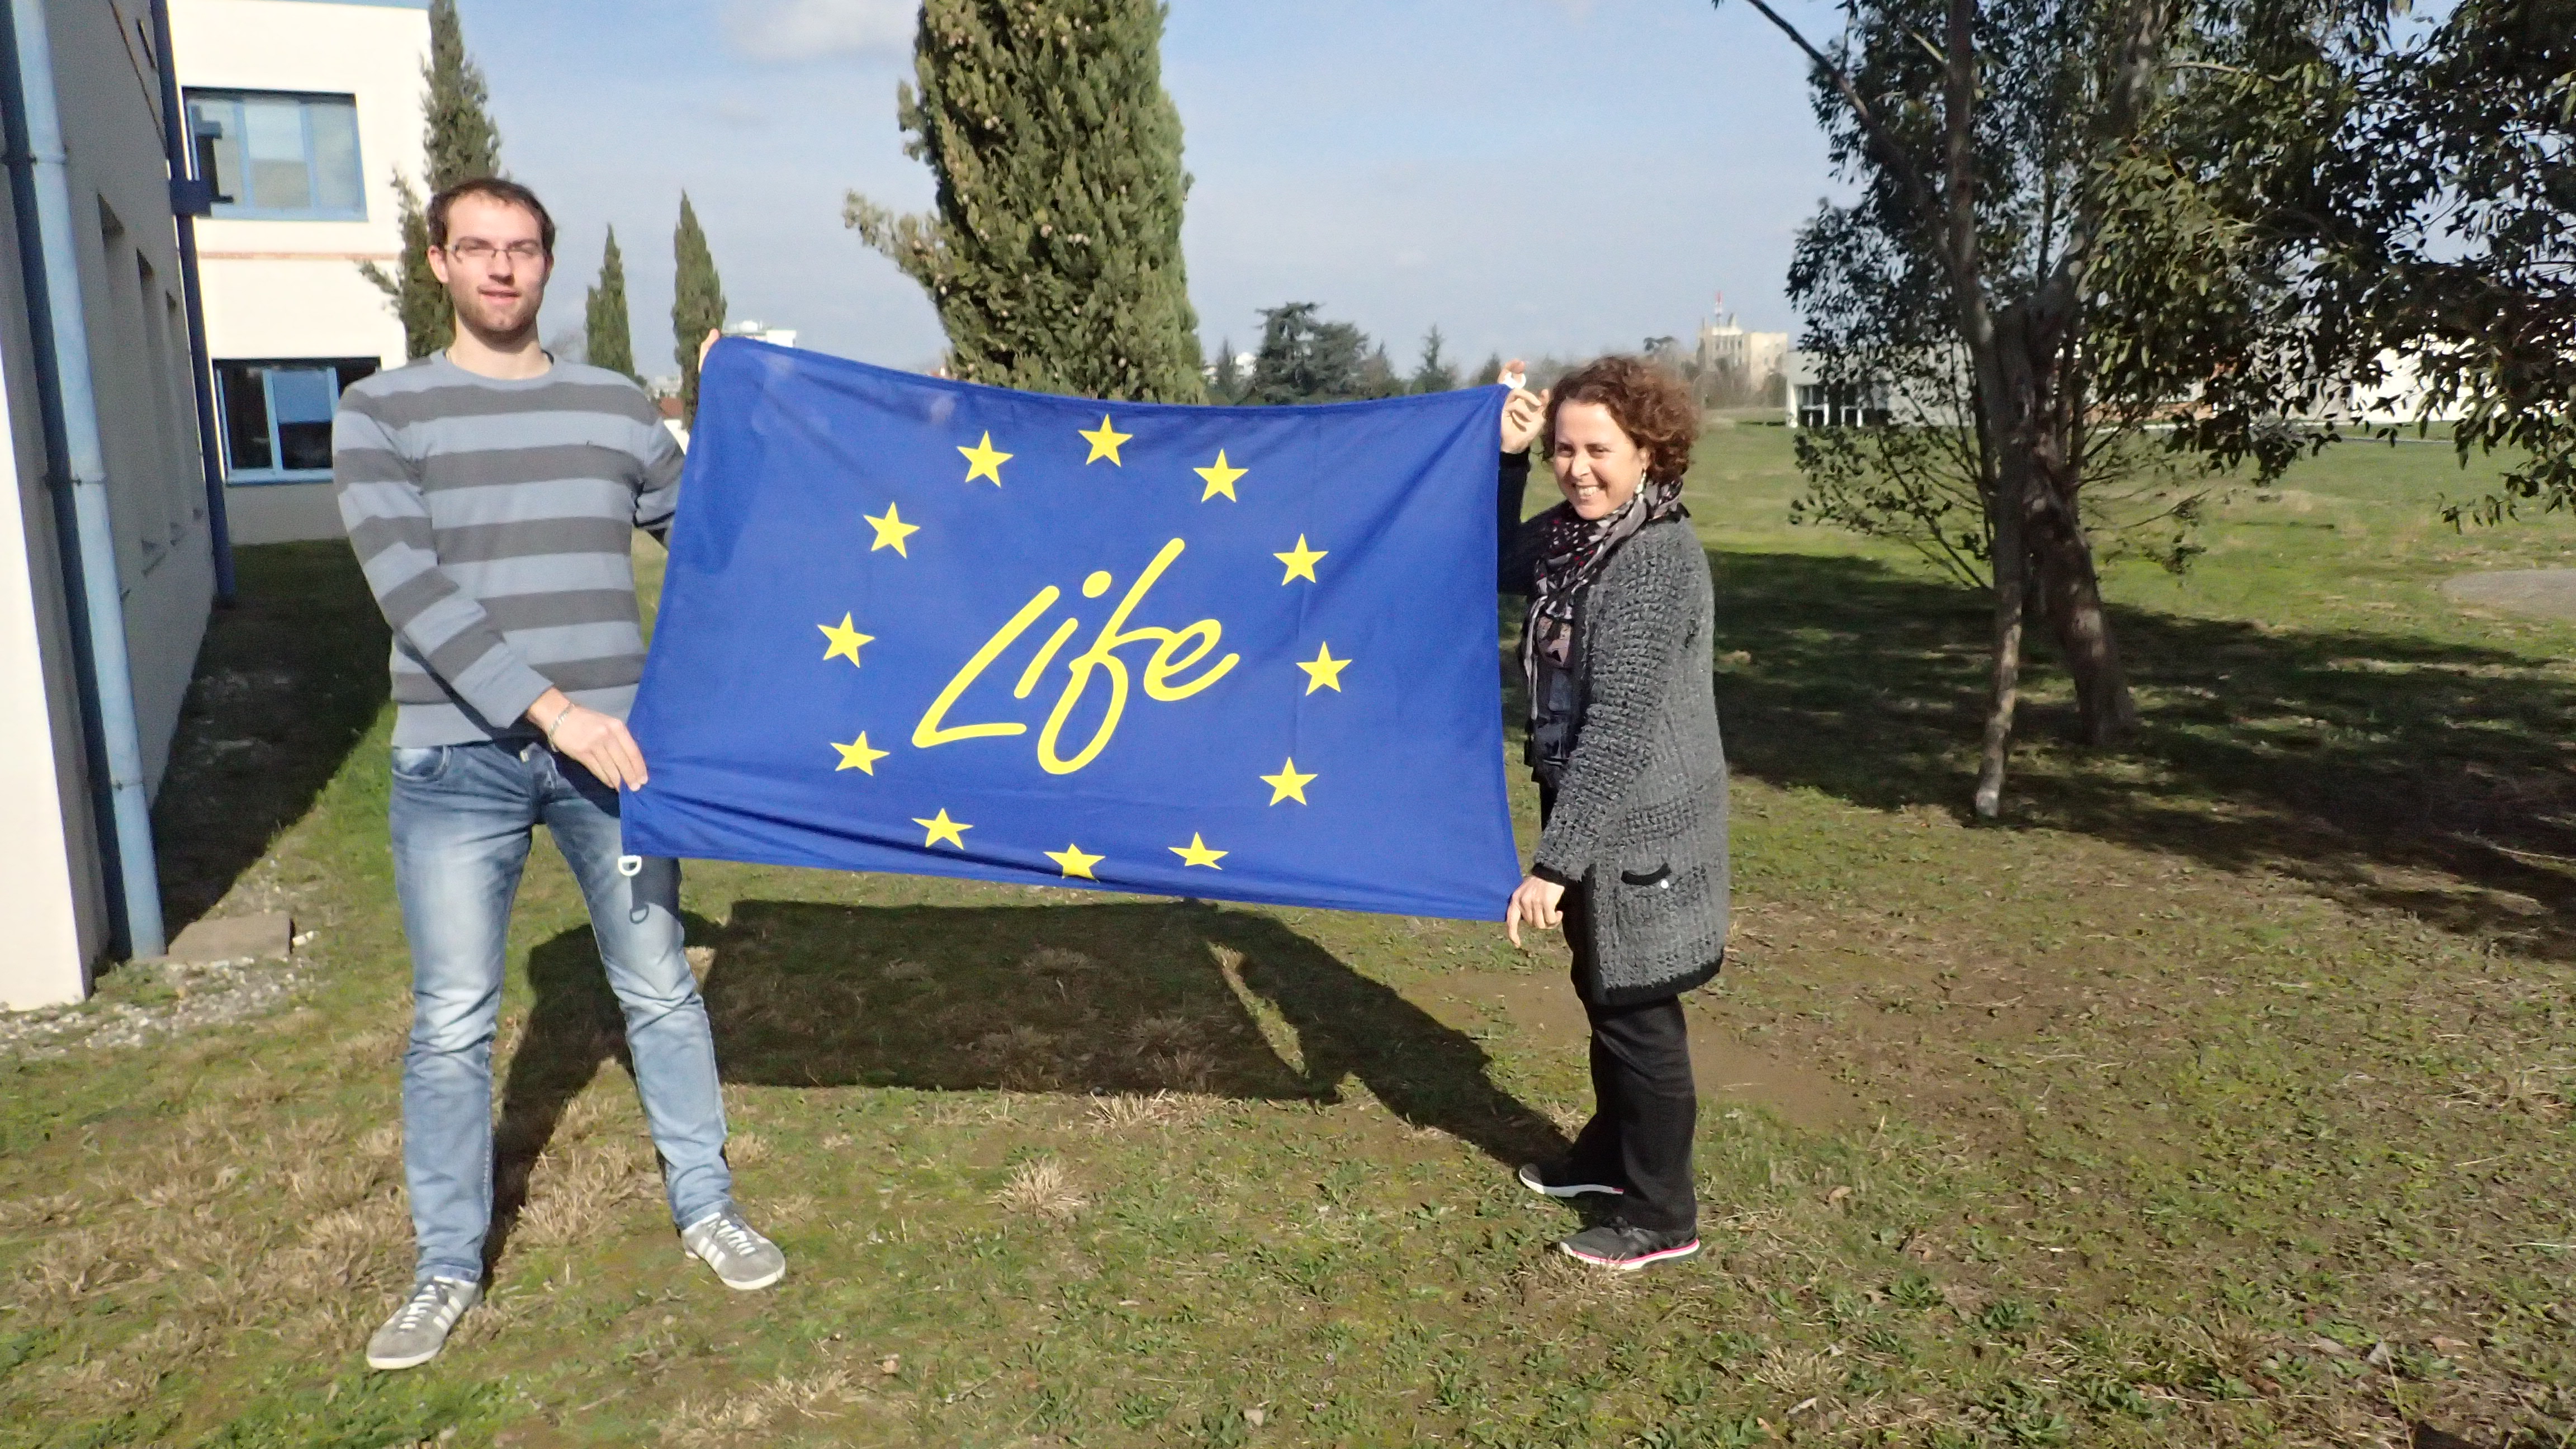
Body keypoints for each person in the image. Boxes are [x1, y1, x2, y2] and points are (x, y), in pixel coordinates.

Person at [334, 177, 782, 1372]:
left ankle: (707, 1205)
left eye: (522, 249)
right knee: (452, 1022)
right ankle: (444, 1266)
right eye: (476, 248)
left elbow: (716, 539)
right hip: (458, 758)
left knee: (657, 987)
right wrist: (553, 714)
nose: (500, 268)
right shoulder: (380, 412)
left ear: (546, 265)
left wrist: (736, 410)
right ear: (438, 262)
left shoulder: (616, 407)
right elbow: (413, 592)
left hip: (617, 762)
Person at [1493, 357, 1729, 1271]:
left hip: (1641, 821)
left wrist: (1556, 864)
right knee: (1603, 987)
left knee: (1638, 1008)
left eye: (1599, 450)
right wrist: (1507, 460)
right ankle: (1608, 1156)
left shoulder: (1654, 558)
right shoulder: (1572, 536)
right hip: (1587, 797)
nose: (1578, 469)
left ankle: (1663, 1214)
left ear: (1649, 452)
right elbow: (1485, 560)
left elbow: (1622, 730)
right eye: (1563, 450)